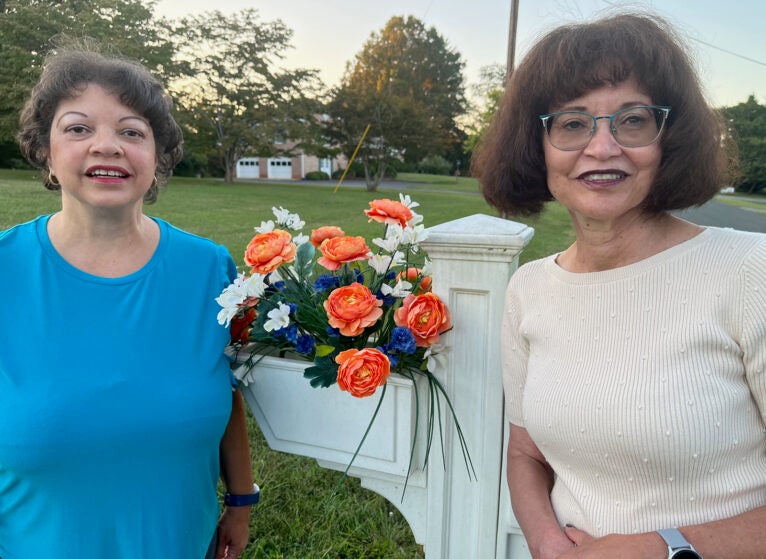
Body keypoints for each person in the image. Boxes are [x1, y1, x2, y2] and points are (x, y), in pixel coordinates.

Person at [473, 12, 766, 559]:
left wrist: (663, 548)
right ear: (537, 143)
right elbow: (526, 454)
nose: (603, 148)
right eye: (572, 123)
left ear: (669, 137)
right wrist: (549, 546)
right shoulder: (530, 289)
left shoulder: (750, 269)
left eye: (632, 120)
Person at [0, 48, 257, 559]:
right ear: (45, 152)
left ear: (157, 158)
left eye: (131, 132)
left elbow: (227, 391)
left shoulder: (210, 269)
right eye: (78, 129)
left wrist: (241, 502)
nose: (107, 146)